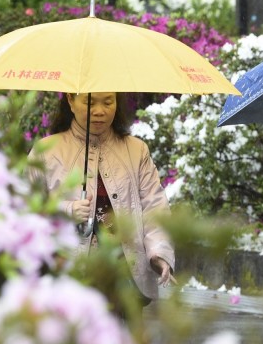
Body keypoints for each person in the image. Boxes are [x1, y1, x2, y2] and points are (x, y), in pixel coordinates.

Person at [28, 92, 175, 317]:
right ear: (71, 100)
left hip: (124, 276)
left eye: (108, 102)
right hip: (67, 277)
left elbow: (154, 206)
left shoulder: (136, 151)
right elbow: (27, 210)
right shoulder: (45, 152)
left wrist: (159, 252)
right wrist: (66, 209)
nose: (99, 111)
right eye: (89, 102)